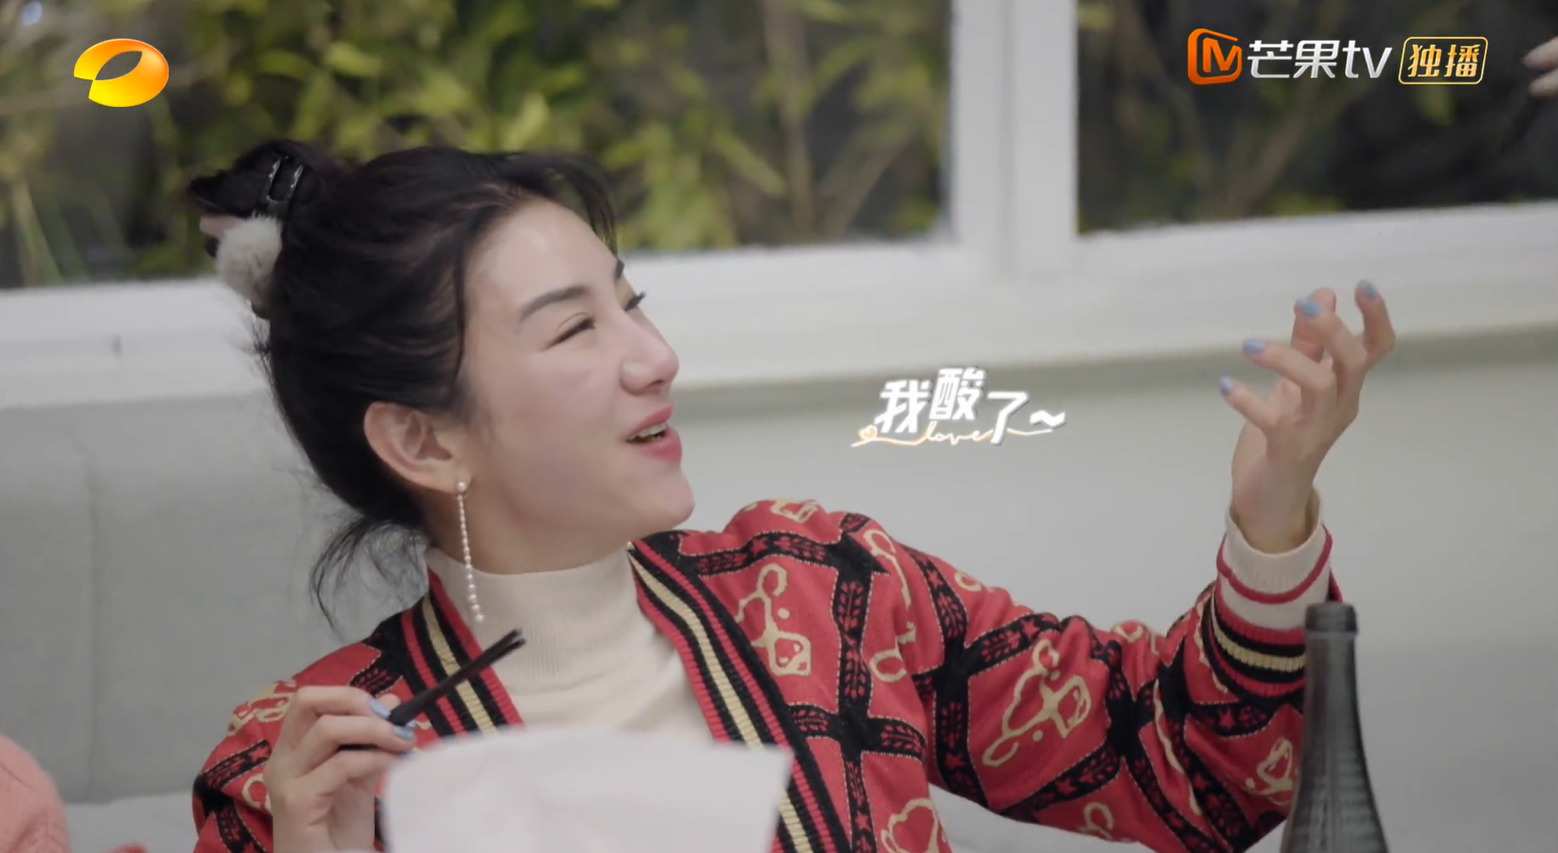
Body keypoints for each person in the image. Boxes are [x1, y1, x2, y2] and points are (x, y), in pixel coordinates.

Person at [187, 139, 1394, 853]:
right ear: (421, 437)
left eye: (631, 303)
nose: (655, 359)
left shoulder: (822, 593)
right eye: (573, 330)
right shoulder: (307, 770)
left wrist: (1271, 518)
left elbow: (1187, 769)